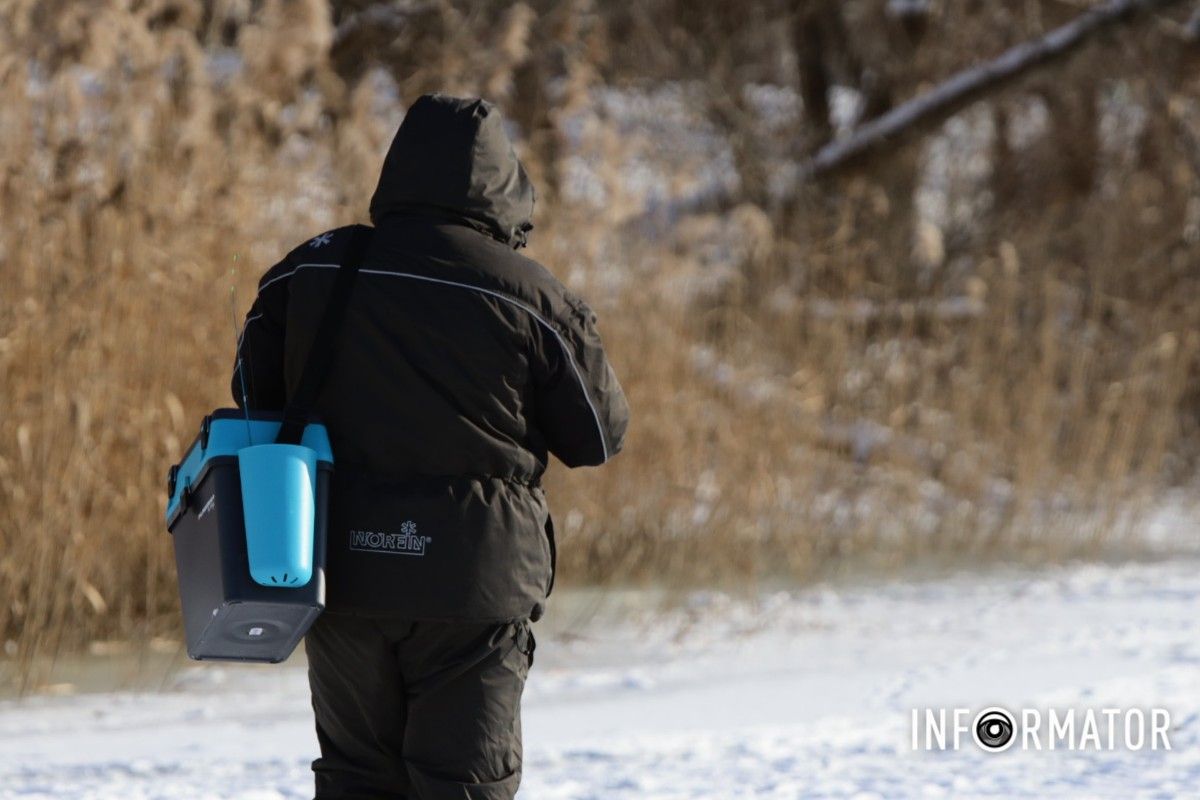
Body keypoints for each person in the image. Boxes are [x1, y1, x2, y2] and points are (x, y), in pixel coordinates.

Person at [232, 94, 629, 800]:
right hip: (473, 582)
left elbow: (251, 397)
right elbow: (597, 437)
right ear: (505, 185)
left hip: (339, 570)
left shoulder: (313, 267)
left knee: (356, 779)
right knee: (465, 785)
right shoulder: (532, 296)